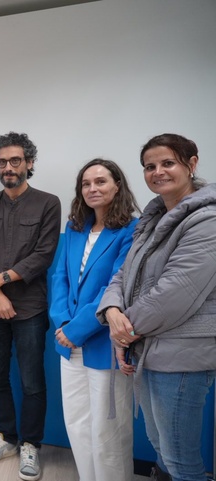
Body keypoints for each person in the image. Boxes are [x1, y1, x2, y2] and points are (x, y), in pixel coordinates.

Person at [97, 134, 216, 481]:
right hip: (148, 346)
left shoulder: (207, 220)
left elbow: (175, 292)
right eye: (150, 166)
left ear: (191, 165)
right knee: (161, 447)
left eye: (168, 163)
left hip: (181, 353)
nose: (158, 172)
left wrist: (123, 332)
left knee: (180, 459)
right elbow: (122, 275)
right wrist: (111, 312)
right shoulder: (151, 219)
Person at [0, 132, 60, 481]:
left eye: (15, 161)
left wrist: (4, 280)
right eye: (2, 162)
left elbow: (44, 254)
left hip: (30, 308)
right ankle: (6, 437)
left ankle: (31, 445)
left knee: (31, 381)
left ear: (29, 163)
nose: (8, 168)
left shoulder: (48, 202)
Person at [49, 159, 138, 481]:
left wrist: (77, 329)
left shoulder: (132, 229)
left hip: (103, 343)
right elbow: (61, 277)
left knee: (108, 432)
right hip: (68, 342)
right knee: (79, 425)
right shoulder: (75, 229)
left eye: (100, 182)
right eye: (86, 184)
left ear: (117, 185)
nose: (92, 189)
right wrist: (62, 323)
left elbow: (117, 285)